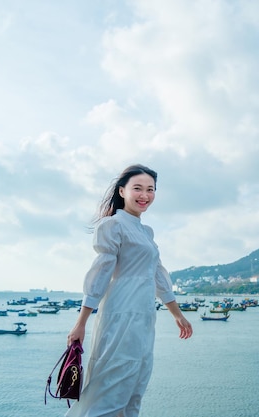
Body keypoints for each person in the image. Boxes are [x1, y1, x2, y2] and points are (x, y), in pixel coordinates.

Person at [66, 164, 193, 417]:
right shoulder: (112, 225)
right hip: (121, 312)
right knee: (112, 386)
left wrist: (177, 314)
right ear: (122, 191)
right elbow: (100, 273)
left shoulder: (146, 232)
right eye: (138, 188)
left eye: (150, 189)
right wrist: (81, 323)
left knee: (136, 387)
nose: (144, 195)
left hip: (145, 315)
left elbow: (158, 273)